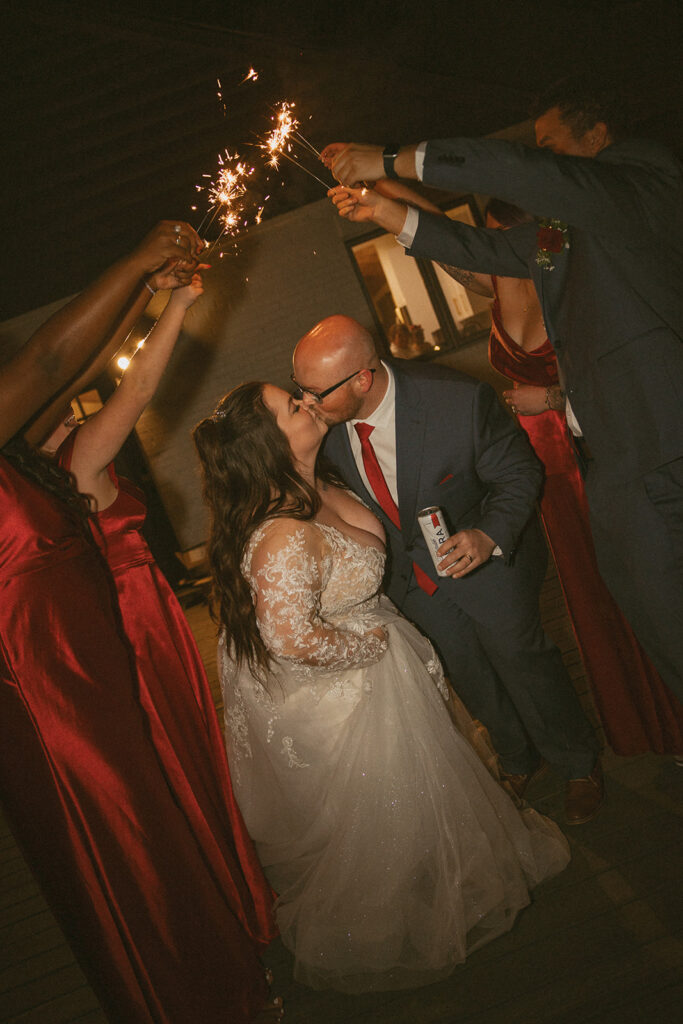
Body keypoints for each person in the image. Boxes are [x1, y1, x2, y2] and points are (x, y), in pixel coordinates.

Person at [193, 379, 571, 993]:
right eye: (294, 405)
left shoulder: (320, 479)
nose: (308, 401)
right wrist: (369, 648)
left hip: (384, 659)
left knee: (426, 793)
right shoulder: (282, 531)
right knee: (383, 812)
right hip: (344, 687)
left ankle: (444, 883)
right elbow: (290, 638)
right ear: (269, 441)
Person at [321, 75, 683, 699]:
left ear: (598, 137)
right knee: (657, 630)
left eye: (551, 143)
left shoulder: (642, 178)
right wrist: (385, 210)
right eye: (536, 146)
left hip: (667, 448)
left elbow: (520, 172)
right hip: (617, 470)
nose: (540, 157)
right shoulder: (561, 234)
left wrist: (385, 161)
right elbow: (480, 249)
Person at [0, 222, 281, 1023]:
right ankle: (198, 1001)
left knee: (154, 816)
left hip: (85, 671)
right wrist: (132, 262)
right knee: (129, 841)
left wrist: (149, 297)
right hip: (48, 690)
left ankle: (219, 982)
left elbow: (72, 371)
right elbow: (49, 363)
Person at [371, 182, 683, 755]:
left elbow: (620, 373)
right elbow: (445, 241)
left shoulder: (566, 282)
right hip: (545, 474)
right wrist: (384, 192)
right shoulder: (497, 277)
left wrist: (554, 399)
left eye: (501, 234)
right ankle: (643, 724)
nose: (491, 244)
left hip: (592, 454)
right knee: (587, 592)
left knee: (644, 585)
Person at [292, 316, 603, 824]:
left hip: (484, 561)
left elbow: (519, 473)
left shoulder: (457, 400)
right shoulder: (321, 428)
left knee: (524, 660)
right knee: (464, 668)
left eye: (315, 392)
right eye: (298, 389)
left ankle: (576, 763)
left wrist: (488, 535)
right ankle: (517, 756)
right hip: (411, 581)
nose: (306, 403)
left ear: (362, 380)